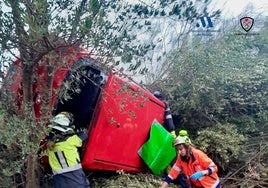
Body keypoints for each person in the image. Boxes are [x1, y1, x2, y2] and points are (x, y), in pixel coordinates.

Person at [46, 112, 90, 188]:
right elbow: (84, 135)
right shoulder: (70, 141)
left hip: (59, 181)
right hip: (75, 178)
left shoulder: (49, 145)